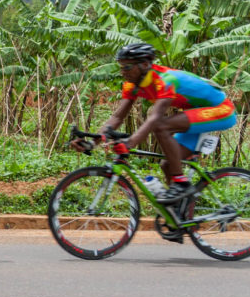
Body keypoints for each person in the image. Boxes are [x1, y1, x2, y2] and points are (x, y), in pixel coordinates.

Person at [90, 42, 237, 203]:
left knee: (161, 126)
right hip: (197, 114)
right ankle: (180, 214)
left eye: (127, 67)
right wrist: (93, 141)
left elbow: (155, 118)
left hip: (222, 110)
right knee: (168, 164)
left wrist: (131, 142)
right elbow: (117, 117)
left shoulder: (166, 80)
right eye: (121, 67)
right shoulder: (132, 86)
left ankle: (181, 183)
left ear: (145, 64)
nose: (123, 72)